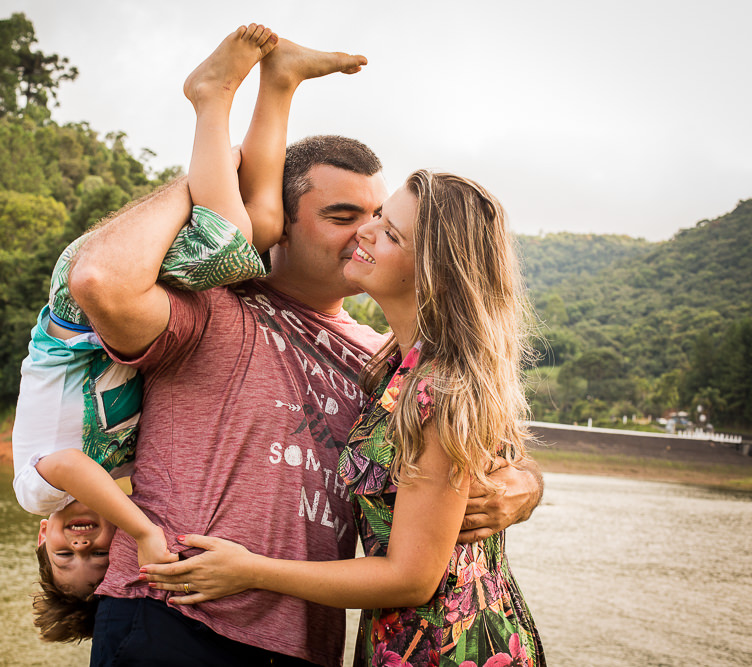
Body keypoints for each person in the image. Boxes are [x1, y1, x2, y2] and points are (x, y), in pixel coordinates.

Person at [70, 27, 544, 667]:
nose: (365, 234)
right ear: (278, 226)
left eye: (380, 220)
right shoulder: (215, 310)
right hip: (175, 619)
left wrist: (522, 487)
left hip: (307, 643)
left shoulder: (388, 360)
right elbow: (101, 281)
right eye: (343, 217)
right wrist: (216, 182)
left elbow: (481, 449)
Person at [144, 171, 547, 667]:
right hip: (400, 640)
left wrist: (250, 571)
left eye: (391, 233)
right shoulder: (391, 369)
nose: (366, 231)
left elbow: (411, 578)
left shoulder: (439, 389)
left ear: (435, 272)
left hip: (451, 648)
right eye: (378, 216)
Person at [12, 23, 285, 642]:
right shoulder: (124, 466)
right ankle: (280, 82)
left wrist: (139, 531)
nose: (82, 546)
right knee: (261, 231)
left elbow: (70, 464)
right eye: (96, 559)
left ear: (42, 537)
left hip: (74, 315)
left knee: (230, 240)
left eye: (64, 556)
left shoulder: (37, 492)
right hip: (121, 313)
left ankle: (210, 97)